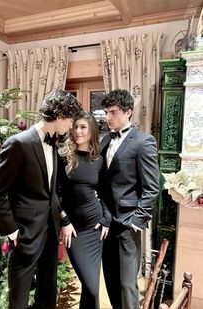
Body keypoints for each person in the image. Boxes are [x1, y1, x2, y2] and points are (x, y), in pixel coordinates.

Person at [0, 89, 82, 309]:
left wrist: (64, 220)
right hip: (25, 235)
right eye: (70, 120)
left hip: (50, 231)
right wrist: (12, 231)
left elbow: (51, 193)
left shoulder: (54, 144)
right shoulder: (18, 144)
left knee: (47, 294)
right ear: (59, 115)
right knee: (19, 300)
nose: (71, 127)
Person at [99, 89, 159, 309]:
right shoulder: (105, 140)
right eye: (106, 112)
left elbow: (152, 188)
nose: (108, 117)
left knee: (127, 285)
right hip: (106, 224)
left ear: (128, 112)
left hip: (127, 224)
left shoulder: (143, 142)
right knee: (111, 279)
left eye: (113, 112)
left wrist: (137, 220)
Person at [58, 111, 111, 309]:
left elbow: (104, 193)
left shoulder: (98, 160)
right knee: (91, 286)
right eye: (76, 126)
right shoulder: (63, 157)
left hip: (95, 228)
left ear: (92, 131)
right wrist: (64, 221)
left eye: (83, 127)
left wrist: (107, 219)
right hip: (74, 231)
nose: (78, 131)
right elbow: (54, 194)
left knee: (92, 289)